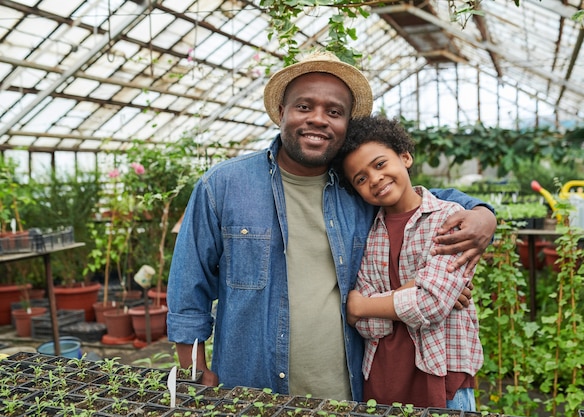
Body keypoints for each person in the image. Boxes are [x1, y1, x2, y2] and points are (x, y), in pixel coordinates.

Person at [166, 51, 495, 402]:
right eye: (304, 107)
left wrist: (482, 213)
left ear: (346, 123)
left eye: (334, 112)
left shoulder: (357, 188)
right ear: (282, 113)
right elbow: (189, 291)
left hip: (348, 391)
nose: (318, 120)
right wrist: (196, 375)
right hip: (251, 389)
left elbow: (414, 196)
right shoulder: (224, 186)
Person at [335, 115, 483, 410]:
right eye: (360, 179)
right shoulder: (368, 231)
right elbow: (368, 329)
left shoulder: (448, 218)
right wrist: (415, 288)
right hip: (383, 376)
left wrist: (362, 305)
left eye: (380, 164)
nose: (374, 179)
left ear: (405, 157)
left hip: (443, 374)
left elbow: (432, 303)